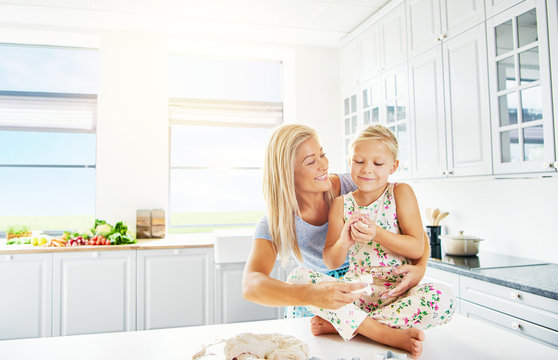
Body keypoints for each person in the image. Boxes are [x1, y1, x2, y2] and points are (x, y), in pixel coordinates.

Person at [242, 124, 441, 358]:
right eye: (310, 161)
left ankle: (363, 328)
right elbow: (251, 285)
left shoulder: (355, 185)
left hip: (369, 289)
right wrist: (311, 295)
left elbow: (413, 231)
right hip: (321, 304)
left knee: (439, 297)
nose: (324, 165)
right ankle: (375, 330)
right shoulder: (275, 222)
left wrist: (420, 268)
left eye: (322, 154)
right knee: (299, 279)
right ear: (287, 173)